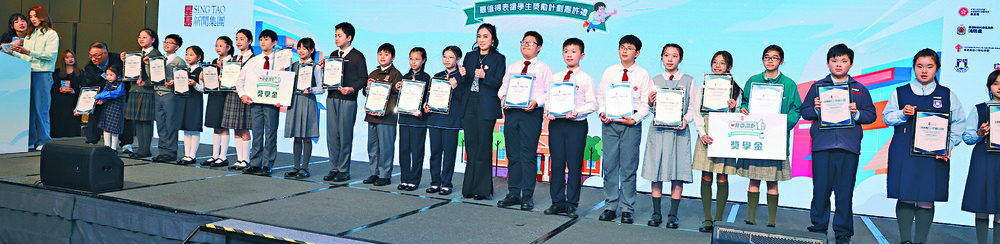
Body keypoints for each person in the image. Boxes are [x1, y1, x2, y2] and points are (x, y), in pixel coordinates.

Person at [883, 48, 965, 244]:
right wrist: (902, 113)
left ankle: (920, 241)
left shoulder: (947, 94)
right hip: (904, 151)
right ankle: (905, 241)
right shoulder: (900, 92)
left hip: (933, 154)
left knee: (928, 197)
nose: (924, 71)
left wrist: (948, 145)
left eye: (930, 66)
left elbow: (959, 124)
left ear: (937, 69)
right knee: (906, 195)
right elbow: (887, 118)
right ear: (914, 68)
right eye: (920, 66)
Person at [799, 44, 877, 244]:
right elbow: (805, 111)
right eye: (834, 60)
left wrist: (856, 113)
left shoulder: (859, 89)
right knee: (821, 189)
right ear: (827, 63)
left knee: (844, 191)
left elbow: (871, 115)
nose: (838, 64)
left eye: (843, 60)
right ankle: (818, 227)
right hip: (823, 146)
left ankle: (843, 232)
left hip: (848, 147)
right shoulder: (817, 86)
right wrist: (816, 109)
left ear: (851, 63)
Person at [736, 44, 801, 228]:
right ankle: (751, 218)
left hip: (776, 138)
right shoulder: (753, 80)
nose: (770, 60)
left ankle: (771, 221)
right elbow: (745, 102)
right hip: (755, 137)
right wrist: (745, 109)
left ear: (781, 61)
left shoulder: (788, 84)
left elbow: (796, 110)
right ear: (763, 59)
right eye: (767, 57)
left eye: (774, 57)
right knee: (753, 178)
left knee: (773, 181)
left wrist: (782, 124)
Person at [595, 35, 652, 224]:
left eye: (629, 48)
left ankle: (627, 208)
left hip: (631, 125)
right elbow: (600, 96)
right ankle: (610, 206)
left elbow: (645, 103)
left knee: (628, 167)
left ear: (637, 52)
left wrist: (634, 119)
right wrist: (602, 112)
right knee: (610, 166)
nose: (625, 51)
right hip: (610, 124)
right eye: (622, 47)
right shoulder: (610, 71)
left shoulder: (642, 74)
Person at [642, 43, 697, 228]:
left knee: (677, 172)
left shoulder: (689, 80)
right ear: (662, 57)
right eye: (666, 55)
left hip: (679, 131)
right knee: (656, 172)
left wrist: (686, 120)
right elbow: (650, 108)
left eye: (674, 56)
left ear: (680, 59)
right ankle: (656, 213)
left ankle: (673, 214)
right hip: (658, 131)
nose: (670, 59)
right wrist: (650, 103)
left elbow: (693, 107)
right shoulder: (655, 80)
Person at [497, 31, 553, 210]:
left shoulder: (544, 69)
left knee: (528, 156)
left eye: (531, 42)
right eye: (524, 42)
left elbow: (549, 93)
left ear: (539, 48)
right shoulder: (513, 67)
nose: (526, 45)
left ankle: (527, 195)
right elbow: (502, 88)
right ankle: (513, 193)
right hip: (512, 113)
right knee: (512, 155)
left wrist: (537, 102)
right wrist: (503, 97)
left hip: (531, 114)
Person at [542, 37, 595, 218]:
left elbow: (593, 104)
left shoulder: (586, 79)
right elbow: (548, 99)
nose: (569, 55)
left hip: (576, 125)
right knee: (556, 164)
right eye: (566, 51)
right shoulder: (556, 77)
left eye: (573, 51)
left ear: (582, 55)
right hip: (556, 124)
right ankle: (557, 202)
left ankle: (572, 203)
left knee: (574, 165)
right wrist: (548, 110)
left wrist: (577, 112)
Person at [691, 50, 742, 232]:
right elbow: (696, 111)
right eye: (714, 62)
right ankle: (707, 219)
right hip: (706, 133)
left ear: (729, 67)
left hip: (725, 134)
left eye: (722, 63)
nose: (717, 66)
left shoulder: (735, 89)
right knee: (706, 175)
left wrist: (734, 108)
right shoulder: (704, 85)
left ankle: (718, 219)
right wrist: (701, 133)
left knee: (722, 175)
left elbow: (739, 117)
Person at [461, 23, 506, 200]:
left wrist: (485, 77)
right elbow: (465, 84)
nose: (482, 40)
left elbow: (499, 83)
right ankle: (468, 188)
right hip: (469, 104)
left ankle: (481, 190)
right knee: (471, 146)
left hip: (486, 105)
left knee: (483, 147)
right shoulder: (470, 56)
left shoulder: (498, 58)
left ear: (493, 39)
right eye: (479, 36)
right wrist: (463, 76)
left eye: (486, 36)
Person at [323, 22, 368, 182]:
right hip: (332, 98)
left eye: (339, 35)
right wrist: (324, 68)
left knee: (345, 135)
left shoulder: (357, 56)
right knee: (332, 136)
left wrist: (352, 89)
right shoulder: (333, 55)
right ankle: (333, 168)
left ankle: (344, 170)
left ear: (349, 38)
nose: (336, 38)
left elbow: (363, 78)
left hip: (347, 100)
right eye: (335, 35)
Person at [11, 5, 59, 151]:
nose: (32, 19)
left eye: (35, 16)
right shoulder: (30, 34)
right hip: (27, 71)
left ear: (43, 16)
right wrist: (13, 52)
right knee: (29, 109)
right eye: (31, 16)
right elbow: (27, 56)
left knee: (41, 108)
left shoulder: (51, 34)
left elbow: (49, 55)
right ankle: (30, 140)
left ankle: (44, 139)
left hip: (42, 73)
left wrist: (28, 51)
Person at [961, 70, 1000, 244]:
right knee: (981, 203)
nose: (999, 87)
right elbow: (967, 138)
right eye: (996, 83)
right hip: (983, 159)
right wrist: (980, 132)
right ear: (989, 87)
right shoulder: (980, 109)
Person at [237, 29, 282, 176]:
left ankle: (267, 164)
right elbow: (240, 80)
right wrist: (243, 95)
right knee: (257, 132)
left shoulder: (281, 61)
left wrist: (281, 98)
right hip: (255, 102)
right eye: (261, 39)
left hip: (272, 103)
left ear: (274, 42)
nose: (263, 42)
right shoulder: (254, 61)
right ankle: (255, 163)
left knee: (270, 133)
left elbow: (286, 83)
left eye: (266, 39)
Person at [425, 46, 466, 196]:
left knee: (449, 154)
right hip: (435, 119)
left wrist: (457, 85)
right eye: (444, 57)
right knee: (435, 153)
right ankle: (435, 183)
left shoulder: (462, 77)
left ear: (458, 59)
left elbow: (464, 99)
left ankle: (446, 184)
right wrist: (426, 105)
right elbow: (430, 95)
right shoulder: (437, 76)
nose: (447, 60)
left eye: (450, 57)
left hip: (451, 121)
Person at [361, 43, 402, 186]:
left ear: (393, 57)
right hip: (372, 114)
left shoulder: (396, 74)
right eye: (380, 54)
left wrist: (384, 111)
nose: (382, 57)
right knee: (372, 146)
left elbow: (397, 97)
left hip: (387, 117)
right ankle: (374, 173)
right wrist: (367, 88)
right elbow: (367, 93)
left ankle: (385, 175)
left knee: (386, 147)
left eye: (386, 54)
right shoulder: (373, 73)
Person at [284, 37, 324, 179]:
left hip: (308, 101)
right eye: (299, 47)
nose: (301, 50)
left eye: (304, 48)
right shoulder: (293, 66)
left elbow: (321, 88)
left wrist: (311, 90)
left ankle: (305, 168)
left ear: (311, 50)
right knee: (297, 135)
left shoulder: (316, 67)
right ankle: (296, 167)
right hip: (294, 101)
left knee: (306, 136)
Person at [123, 28, 160, 159]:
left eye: (144, 37)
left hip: (147, 90)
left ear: (153, 40)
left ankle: (146, 149)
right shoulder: (136, 55)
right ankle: (140, 148)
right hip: (135, 89)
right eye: (139, 37)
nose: (141, 39)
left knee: (146, 121)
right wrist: (125, 61)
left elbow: (158, 75)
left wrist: (147, 83)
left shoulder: (156, 54)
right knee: (137, 121)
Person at [84, 42, 129, 148]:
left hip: (119, 95)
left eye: (97, 55)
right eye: (91, 56)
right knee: (99, 118)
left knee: (123, 118)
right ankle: (93, 141)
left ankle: (126, 144)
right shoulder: (89, 67)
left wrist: (126, 59)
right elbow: (91, 84)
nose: (94, 58)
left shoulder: (118, 58)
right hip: (102, 94)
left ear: (106, 53)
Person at [398, 47, 430, 191]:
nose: (413, 62)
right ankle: (404, 179)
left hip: (418, 120)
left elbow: (429, 99)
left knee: (417, 151)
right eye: (411, 58)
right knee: (404, 150)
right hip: (404, 118)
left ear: (423, 60)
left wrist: (422, 109)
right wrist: (399, 88)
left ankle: (414, 180)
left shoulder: (427, 78)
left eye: (417, 59)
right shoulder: (405, 77)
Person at [152, 34, 188, 163]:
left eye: (171, 42)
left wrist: (174, 82)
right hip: (158, 93)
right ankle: (162, 151)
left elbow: (183, 80)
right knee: (160, 124)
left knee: (170, 124)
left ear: (177, 46)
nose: (167, 44)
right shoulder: (159, 60)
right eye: (165, 42)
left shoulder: (179, 61)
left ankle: (171, 152)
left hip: (170, 95)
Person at [223, 29, 255, 170]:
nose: (239, 42)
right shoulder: (232, 59)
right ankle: (239, 158)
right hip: (232, 95)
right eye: (237, 39)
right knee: (236, 128)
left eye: (242, 39)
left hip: (245, 96)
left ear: (249, 41)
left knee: (245, 128)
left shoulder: (254, 59)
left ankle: (246, 159)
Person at [202, 36, 235, 167]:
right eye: (216, 45)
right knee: (215, 125)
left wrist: (222, 69)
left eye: (221, 45)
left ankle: (223, 156)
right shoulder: (214, 61)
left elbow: (230, 79)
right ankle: (214, 155)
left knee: (224, 125)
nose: (218, 48)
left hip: (225, 96)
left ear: (229, 47)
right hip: (214, 94)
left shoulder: (232, 62)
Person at [178, 45, 205, 165]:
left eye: (191, 54)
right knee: (186, 128)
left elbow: (204, 89)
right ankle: (186, 154)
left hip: (195, 101)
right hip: (184, 100)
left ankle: (192, 155)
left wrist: (194, 84)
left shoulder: (201, 71)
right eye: (187, 54)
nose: (188, 57)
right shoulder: (184, 70)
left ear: (199, 57)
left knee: (194, 128)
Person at [50, 50, 83, 138]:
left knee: (72, 122)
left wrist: (74, 91)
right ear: (63, 59)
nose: (70, 59)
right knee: (58, 120)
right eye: (67, 57)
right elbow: (51, 86)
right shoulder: (57, 72)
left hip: (73, 100)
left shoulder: (80, 73)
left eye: (72, 57)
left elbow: (83, 88)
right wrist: (60, 89)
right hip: (59, 101)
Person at [93, 65, 126, 150]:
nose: (109, 77)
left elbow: (115, 94)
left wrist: (99, 95)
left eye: (111, 75)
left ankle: (113, 148)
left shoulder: (121, 84)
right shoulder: (107, 84)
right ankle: (106, 146)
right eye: (107, 75)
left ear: (118, 75)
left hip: (116, 109)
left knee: (114, 128)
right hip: (107, 108)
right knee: (106, 127)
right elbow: (105, 92)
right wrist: (102, 100)